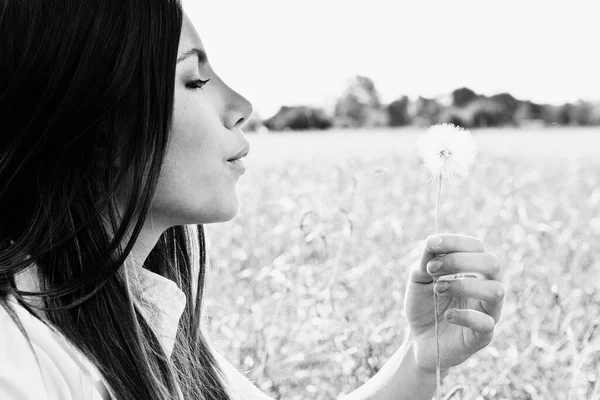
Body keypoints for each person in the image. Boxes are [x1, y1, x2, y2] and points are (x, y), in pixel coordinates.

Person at [0, 1, 505, 399]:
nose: (242, 106)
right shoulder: (16, 355)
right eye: (194, 80)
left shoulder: (142, 314)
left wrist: (418, 358)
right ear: (92, 117)